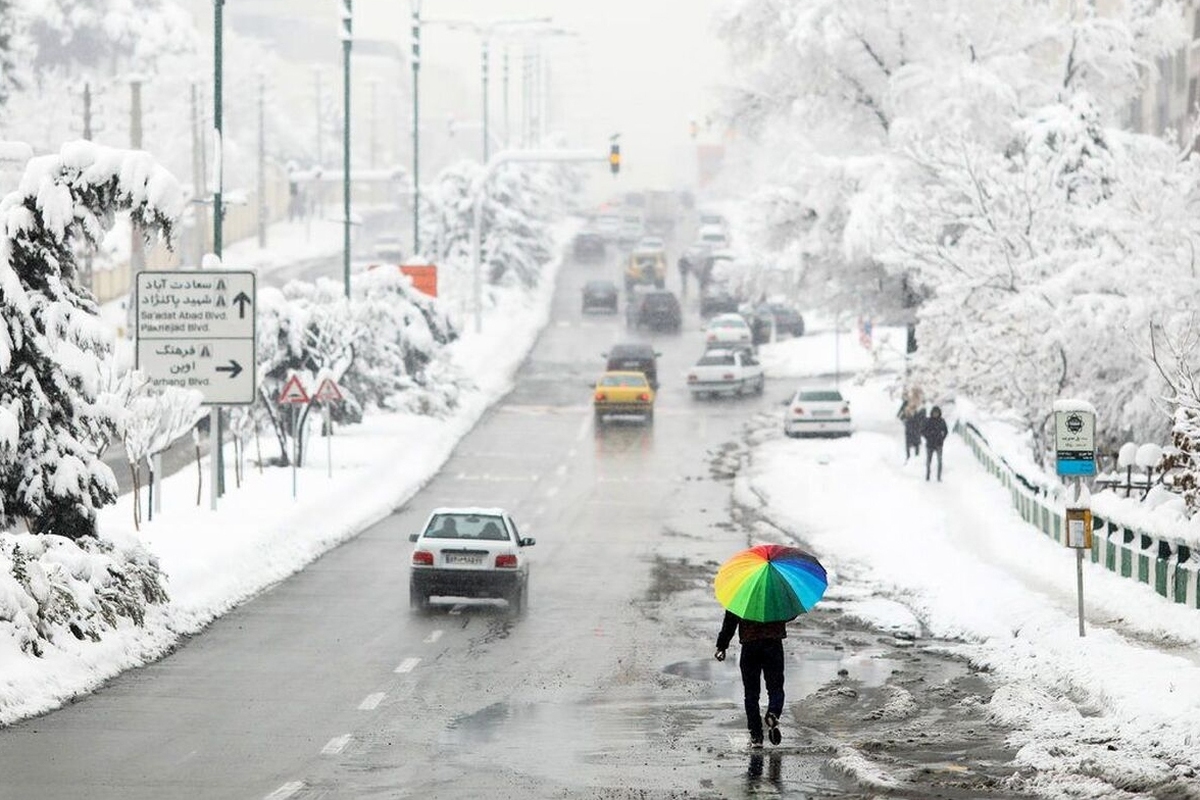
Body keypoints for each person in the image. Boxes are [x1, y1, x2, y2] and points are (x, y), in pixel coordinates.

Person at [715, 609, 787, 748]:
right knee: (776, 688)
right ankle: (773, 713)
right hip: (773, 645)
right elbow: (789, 614)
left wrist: (721, 646)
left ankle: (756, 736)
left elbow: (730, 621)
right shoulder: (777, 595)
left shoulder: (742, 596)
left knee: (751, 694)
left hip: (750, 646)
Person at [897, 389, 925, 461]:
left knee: (916, 444)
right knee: (909, 444)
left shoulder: (921, 406)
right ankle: (908, 458)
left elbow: (923, 418)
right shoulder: (907, 403)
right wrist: (905, 419)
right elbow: (900, 415)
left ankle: (916, 460)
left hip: (917, 427)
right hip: (909, 426)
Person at [922, 405, 948, 481]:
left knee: (939, 461)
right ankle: (927, 475)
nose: (935, 414)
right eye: (934, 413)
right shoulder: (928, 421)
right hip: (930, 444)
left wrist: (942, 438)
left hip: (939, 444)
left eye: (937, 413)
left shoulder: (942, 421)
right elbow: (923, 431)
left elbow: (946, 431)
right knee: (928, 461)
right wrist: (928, 437)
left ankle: (939, 477)